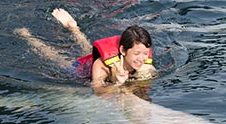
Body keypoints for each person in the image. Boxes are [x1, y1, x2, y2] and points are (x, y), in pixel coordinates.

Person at [14, 8, 157, 94]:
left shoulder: (146, 65)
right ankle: (28, 36)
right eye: (137, 54)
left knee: (87, 49)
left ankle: (73, 28)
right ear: (123, 50)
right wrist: (118, 83)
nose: (142, 59)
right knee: (55, 56)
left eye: (145, 53)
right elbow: (98, 91)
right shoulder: (102, 66)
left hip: (104, 60)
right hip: (82, 69)